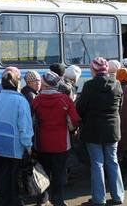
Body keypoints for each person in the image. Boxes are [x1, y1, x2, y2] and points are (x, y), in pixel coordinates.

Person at [76, 57, 124, 205]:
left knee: (97, 163)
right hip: (112, 129)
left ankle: (99, 198)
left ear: (93, 70)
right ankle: (118, 196)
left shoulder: (89, 86)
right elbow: (120, 106)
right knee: (113, 161)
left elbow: (80, 108)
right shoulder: (117, 85)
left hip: (93, 129)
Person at [31, 71, 80, 206]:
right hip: (61, 143)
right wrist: (71, 130)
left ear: (45, 85)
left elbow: (31, 121)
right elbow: (73, 121)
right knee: (58, 173)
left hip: (42, 142)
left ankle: (42, 200)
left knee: (43, 173)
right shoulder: (65, 99)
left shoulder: (36, 101)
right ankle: (58, 200)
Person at [0, 72, 34, 206]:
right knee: (15, 178)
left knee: (3, 174)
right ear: (17, 85)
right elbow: (25, 126)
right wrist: (28, 146)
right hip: (15, 145)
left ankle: (4, 201)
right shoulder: (21, 100)